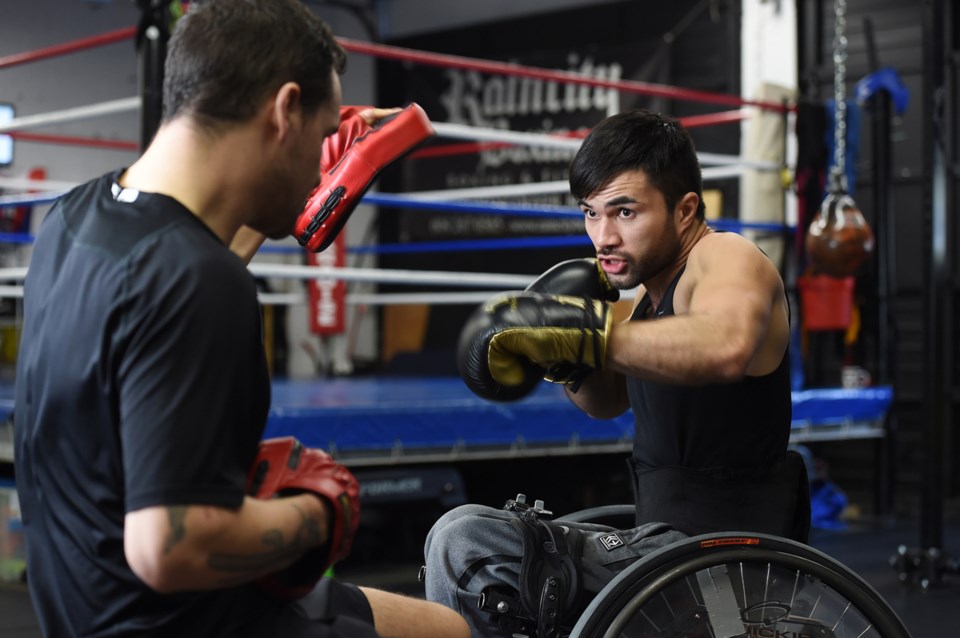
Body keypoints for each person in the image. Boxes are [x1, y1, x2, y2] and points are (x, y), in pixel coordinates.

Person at [13, 1, 467, 637]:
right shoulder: (199, 281)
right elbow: (170, 549)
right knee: (455, 632)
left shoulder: (72, 219)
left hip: (82, 607)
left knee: (433, 624)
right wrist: (324, 511)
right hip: (182, 621)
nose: (319, 165)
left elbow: (161, 302)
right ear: (283, 111)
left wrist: (266, 216)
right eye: (316, 139)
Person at [424, 109, 805, 636]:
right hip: (661, 548)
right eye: (591, 213)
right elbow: (606, 402)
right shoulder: (645, 307)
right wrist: (563, 361)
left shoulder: (726, 257)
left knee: (463, 539)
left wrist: (580, 333)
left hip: (725, 561)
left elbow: (724, 344)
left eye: (624, 212)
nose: (602, 237)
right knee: (479, 553)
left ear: (685, 209)